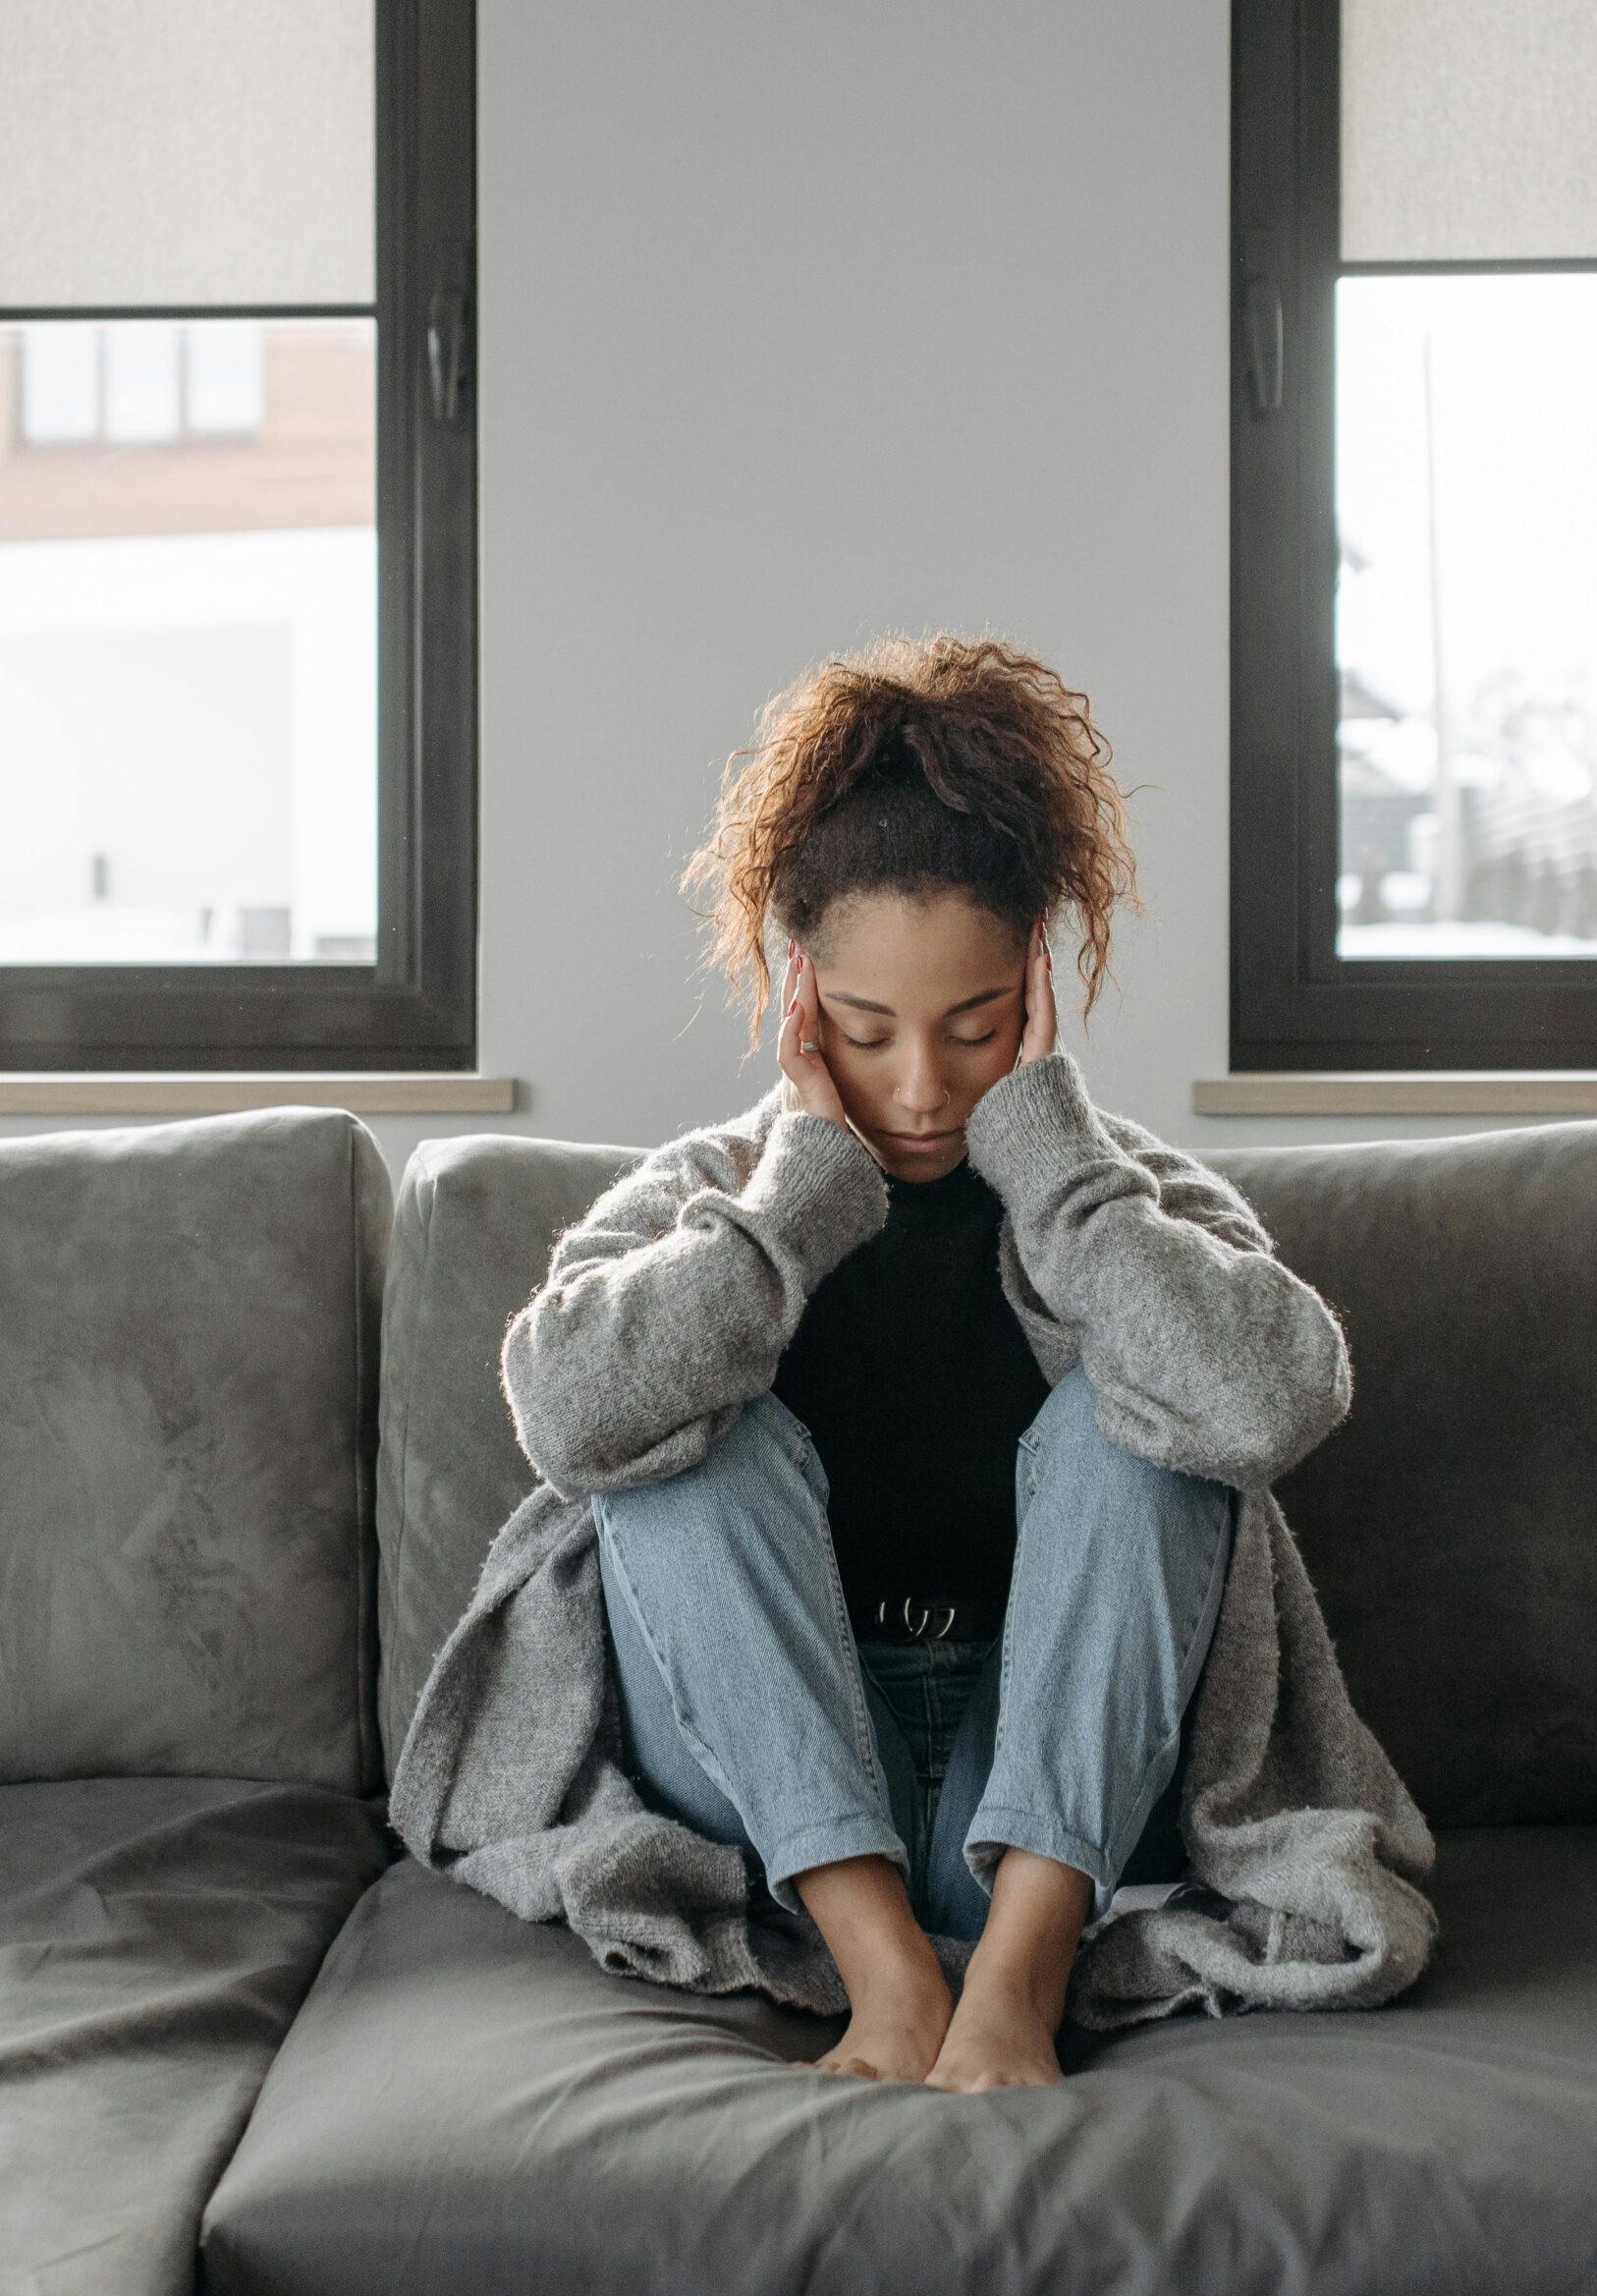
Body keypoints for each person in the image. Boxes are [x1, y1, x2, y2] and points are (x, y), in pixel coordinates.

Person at [389, 635, 1437, 2093]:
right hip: (779, 1801)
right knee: (687, 1443)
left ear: (1040, 992)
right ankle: (885, 1976)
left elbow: (1274, 1398)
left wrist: (1061, 1172)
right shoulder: (718, 1191)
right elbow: (566, 1413)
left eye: (978, 1026)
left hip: (1060, 1800)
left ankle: (1012, 1981)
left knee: (1141, 1421)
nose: (924, 1086)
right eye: (871, 1033)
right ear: (796, 990)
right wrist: (787, 1215)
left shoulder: (1118, 1201)